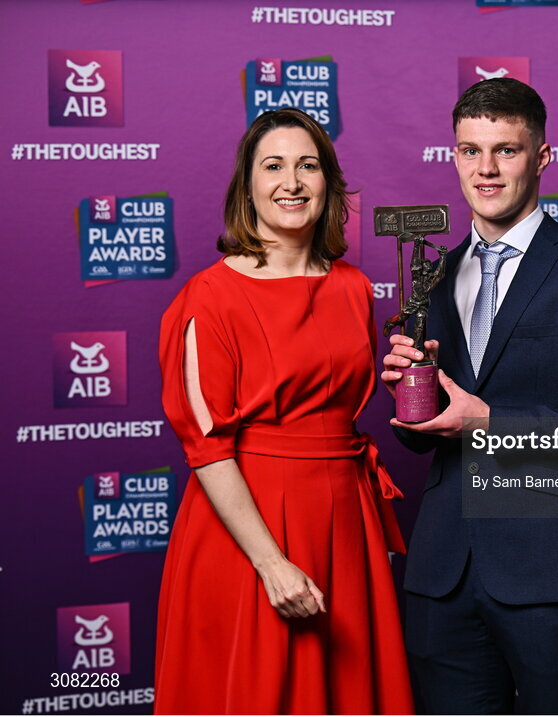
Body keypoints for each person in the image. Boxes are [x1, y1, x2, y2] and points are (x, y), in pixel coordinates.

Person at [381, 78, 558, 714]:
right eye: (470, 151)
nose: (486, 169)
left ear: (543, 156)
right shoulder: (433, 277)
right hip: (443, 573)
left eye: (506, 150)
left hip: (549, 572)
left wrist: (488, 420)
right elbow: (422, 436)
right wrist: (409, 400)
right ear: (453, 155)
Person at [154, 108, 413, 714]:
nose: (291, 182)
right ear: (247, 187)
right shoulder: (209, 297)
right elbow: (208, 448)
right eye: (273, 166)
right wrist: (271, 564)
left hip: (345, 522)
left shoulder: (352, 286)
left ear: (328, 183)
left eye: (308, 165)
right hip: (250, 531)